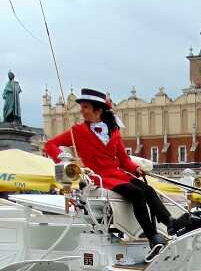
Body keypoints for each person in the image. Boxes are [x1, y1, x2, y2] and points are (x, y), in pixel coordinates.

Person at [44, 88, 176, 262]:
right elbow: (49, 144)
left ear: (98, 110)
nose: (81, 111)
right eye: (82, 107)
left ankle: (170, 223)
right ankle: (153, 238)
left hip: (117, 174)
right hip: (99, 177)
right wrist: (63, 159)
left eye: (85, 107)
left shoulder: (113, 131)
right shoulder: (77, 132)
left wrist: (135, 168)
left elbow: (124, 160)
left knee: (149, 190)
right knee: (137, 193)